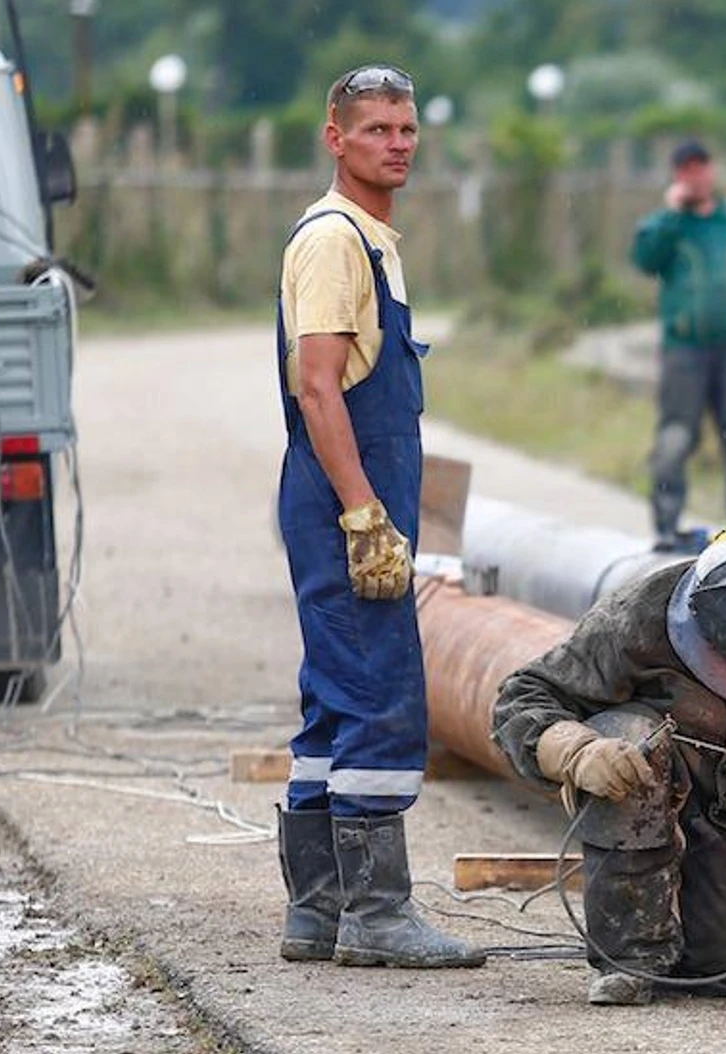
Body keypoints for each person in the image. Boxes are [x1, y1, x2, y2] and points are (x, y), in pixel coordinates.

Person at [271, 64, 483, 970]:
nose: (396, 144)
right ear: (336, 137)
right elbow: (319, 388)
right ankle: (378, 916)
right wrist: (363, 514)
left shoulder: (374, 240)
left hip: (349, 497)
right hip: (341, 500)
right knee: (381, 696)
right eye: (376, 130)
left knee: (333, 697)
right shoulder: (333, 241)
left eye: (406, 129)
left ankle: (316, 914)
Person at [492, 532, 726, 1004]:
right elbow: (524, 695)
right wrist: (576, 751)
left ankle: (707, 927)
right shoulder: (644, 618)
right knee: (628, 738)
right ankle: (630, 956)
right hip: (663, 783)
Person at [630, 141, 726, 553]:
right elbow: (645, 259)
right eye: (685, 170)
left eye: (700, 168)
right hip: (686, 352)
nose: (694, 176)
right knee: (675, 441)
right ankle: (666, 528)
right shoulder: (668, 226)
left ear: (712, 171)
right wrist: (670, 214)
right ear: (677, 176)